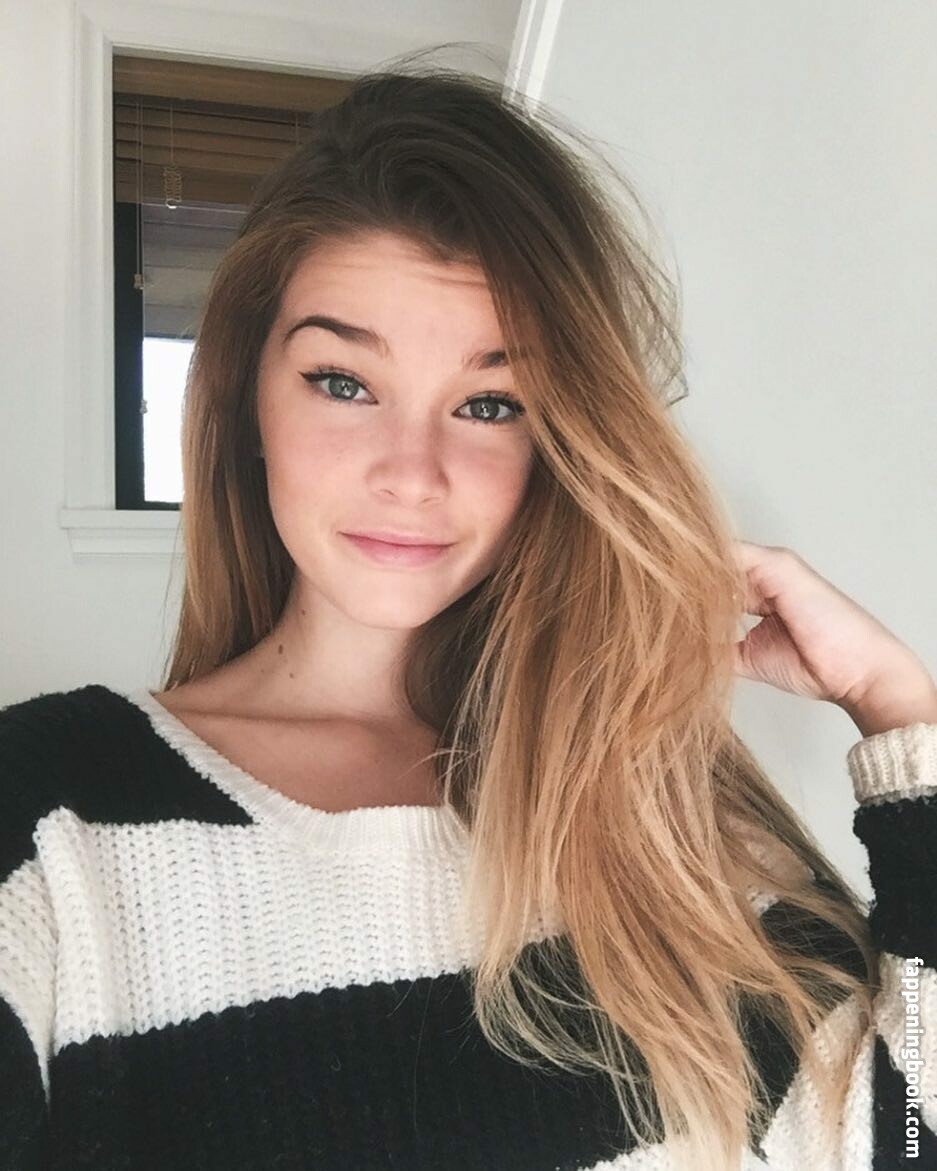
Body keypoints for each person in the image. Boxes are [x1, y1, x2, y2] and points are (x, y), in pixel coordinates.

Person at [1, 61, 935, 1171]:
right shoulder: (49, 819)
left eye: (490, 403)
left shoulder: (666, 824)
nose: (412, 473)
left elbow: (903, 1138)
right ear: (246, 400)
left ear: (562, 446)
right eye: (342, 381)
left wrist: (899, 710)